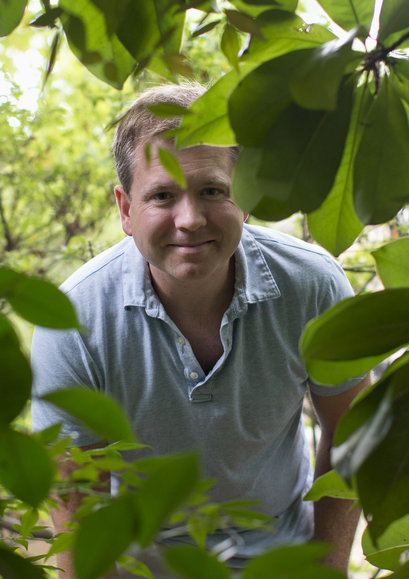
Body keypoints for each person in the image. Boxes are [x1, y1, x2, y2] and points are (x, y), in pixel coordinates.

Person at [30, 83, 369, 578]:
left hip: (280, 551)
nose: (189, 220)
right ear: (126, 210)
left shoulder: (311, 286)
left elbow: (352, 430)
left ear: (246, 195)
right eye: (162, 196)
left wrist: (327, 569)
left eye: (211, 190)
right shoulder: (72, 319)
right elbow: (79, 501)